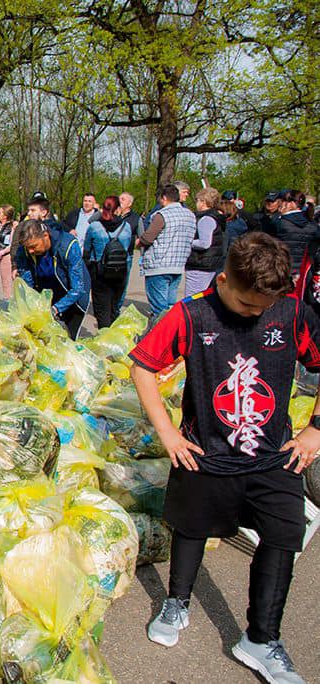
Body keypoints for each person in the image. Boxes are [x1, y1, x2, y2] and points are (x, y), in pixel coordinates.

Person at [131, 232, 319, 684]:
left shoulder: (291, 311)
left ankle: (261, 638)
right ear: (223, 280)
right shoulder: (191, 313)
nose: (257, 313)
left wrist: (315, 429)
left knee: (283, 537)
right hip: (206, 453)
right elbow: (142, 366)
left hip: (272, 455)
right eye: (248, 305)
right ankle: (177, 603)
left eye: (264, 306)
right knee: (191, 529)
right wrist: (170, 434)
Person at [13, 218, 91, 339]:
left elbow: (78, 288)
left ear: (45, 235)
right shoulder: (24, 250)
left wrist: (55, 309)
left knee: (68, 339)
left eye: (33, 246)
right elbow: (27, 284)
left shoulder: (68, 245)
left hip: (72, 297)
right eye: (27, 247)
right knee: (42, 339)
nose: (30, 251)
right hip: (46, 295)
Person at [136, 184, 197, 315]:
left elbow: (148, 238)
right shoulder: (190, 215)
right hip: (178, 265)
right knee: (170, 305)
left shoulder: (161, 215)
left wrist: (138, 242)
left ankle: (162, 332)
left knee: (159, 309)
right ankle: (173, 331)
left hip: (159, 265)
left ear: (164, 198)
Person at [85, 195, 133, 328]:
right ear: (117, 209)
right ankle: (113, 335)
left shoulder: (94, 227)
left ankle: (104, 336)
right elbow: (128, 247)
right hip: (120, 271)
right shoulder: (126, 227)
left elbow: (87, 250)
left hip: (100, 272)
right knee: (114, 307)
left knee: (102, 309)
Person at [184, 187, 226, 297]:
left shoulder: (206, 219)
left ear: (203, 202)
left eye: (197, 200)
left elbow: (204, 243)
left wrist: (188, 241)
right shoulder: (215, 217)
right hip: (210, 264)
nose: (196, 203)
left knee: (193, 298)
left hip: (201, 264)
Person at [270, 189, 318, 276]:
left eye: (285, 201)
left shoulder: (280, 222)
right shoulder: (312, 224)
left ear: (292, 204)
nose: (281, 203)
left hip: (282, 269)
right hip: (304, 272)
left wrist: (279, 215)